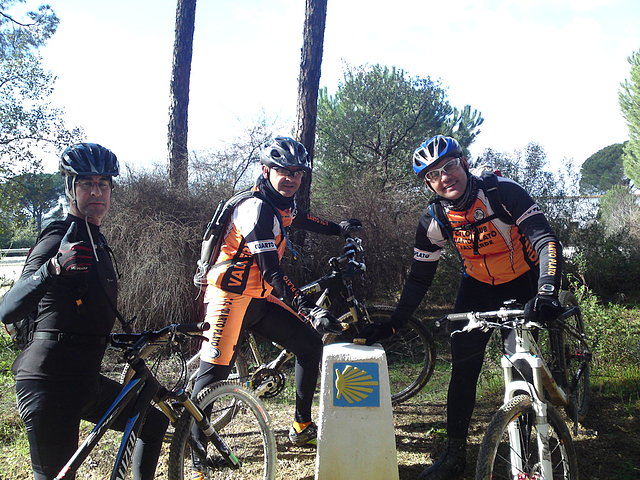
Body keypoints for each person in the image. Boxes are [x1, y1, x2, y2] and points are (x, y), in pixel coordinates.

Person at [360, 135, 563, 480]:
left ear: (464, 163)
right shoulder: (435, 218)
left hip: (524, 279)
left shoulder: (502, 192)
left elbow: (546, 241)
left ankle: (527, 447)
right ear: (428, 183)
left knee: (520, 361)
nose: (444, 177)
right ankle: (455, 454)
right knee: (463, 368)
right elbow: (420, 279)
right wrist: (395, 323)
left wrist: (546, 291)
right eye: (434, 174)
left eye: (449, 166)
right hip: (478, 287)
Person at [189, 136, 360, 476]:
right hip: (229, 297)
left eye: (297, 172)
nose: (291, 178)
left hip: (258, 297)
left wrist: (339, 229)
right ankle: (196, 456)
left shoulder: (281, 204)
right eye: (283, 171)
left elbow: (304, 219)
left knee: (310, 346)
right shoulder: (254, 209)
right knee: (211, 379)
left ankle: (300, 426)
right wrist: (309, 308)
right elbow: (273, 270)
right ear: (266, 171)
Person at [0, 143, 168, 480]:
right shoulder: (58, 239)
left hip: (82, 378)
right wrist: (52, 268)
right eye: (86, 183)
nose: (96, 192)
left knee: (152, 422)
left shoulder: (97, 240)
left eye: (103, 184)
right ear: (70, 188)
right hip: (48, 381)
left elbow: (84, 312)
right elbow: (7, 308)